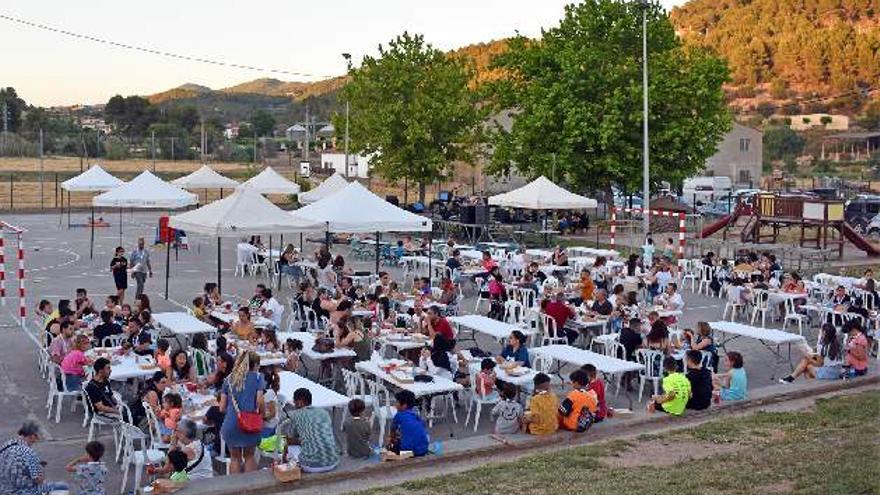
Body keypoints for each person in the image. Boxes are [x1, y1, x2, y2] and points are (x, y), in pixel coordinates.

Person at [220, 351, 265, 474]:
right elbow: (260, 401)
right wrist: (262, 413)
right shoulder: (258, 377)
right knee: (250, 456)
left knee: (234, 458)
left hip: (231, 424)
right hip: (251, 424)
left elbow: (222, 408)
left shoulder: (228, 379)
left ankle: (236, 489)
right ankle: (250, 488)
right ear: (255, 364)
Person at [280, 388, 340, 472]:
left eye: (294, 402)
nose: (294, 405)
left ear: (300, 402)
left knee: (285, 442)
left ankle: (284, 467)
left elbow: (288, 439)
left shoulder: (294, 415)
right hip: (333, 461)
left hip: (312, 466)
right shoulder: (324, 412)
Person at [0, 422, 68, 495]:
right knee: (63, 486)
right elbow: (38, 479)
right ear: (32, 436)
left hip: (3, 489)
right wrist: (41, 468)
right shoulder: (28, 452)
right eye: (36, 438)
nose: (35, 441)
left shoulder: (6, 445)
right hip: (20, 491)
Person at [388, 390, 429, 456]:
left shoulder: (399, 415)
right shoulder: (416, 414)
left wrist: (392, 440)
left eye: (397, 402)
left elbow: (392, 431)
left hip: (408, 453)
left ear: (404, 405)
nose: (395, 404)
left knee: (391, 446)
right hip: (423, 450)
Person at [262, 371, 282, 438]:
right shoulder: (269, 392)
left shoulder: (268, 393)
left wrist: (260, 418)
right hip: (269, 426)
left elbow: (272, 413)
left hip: (268, 427)